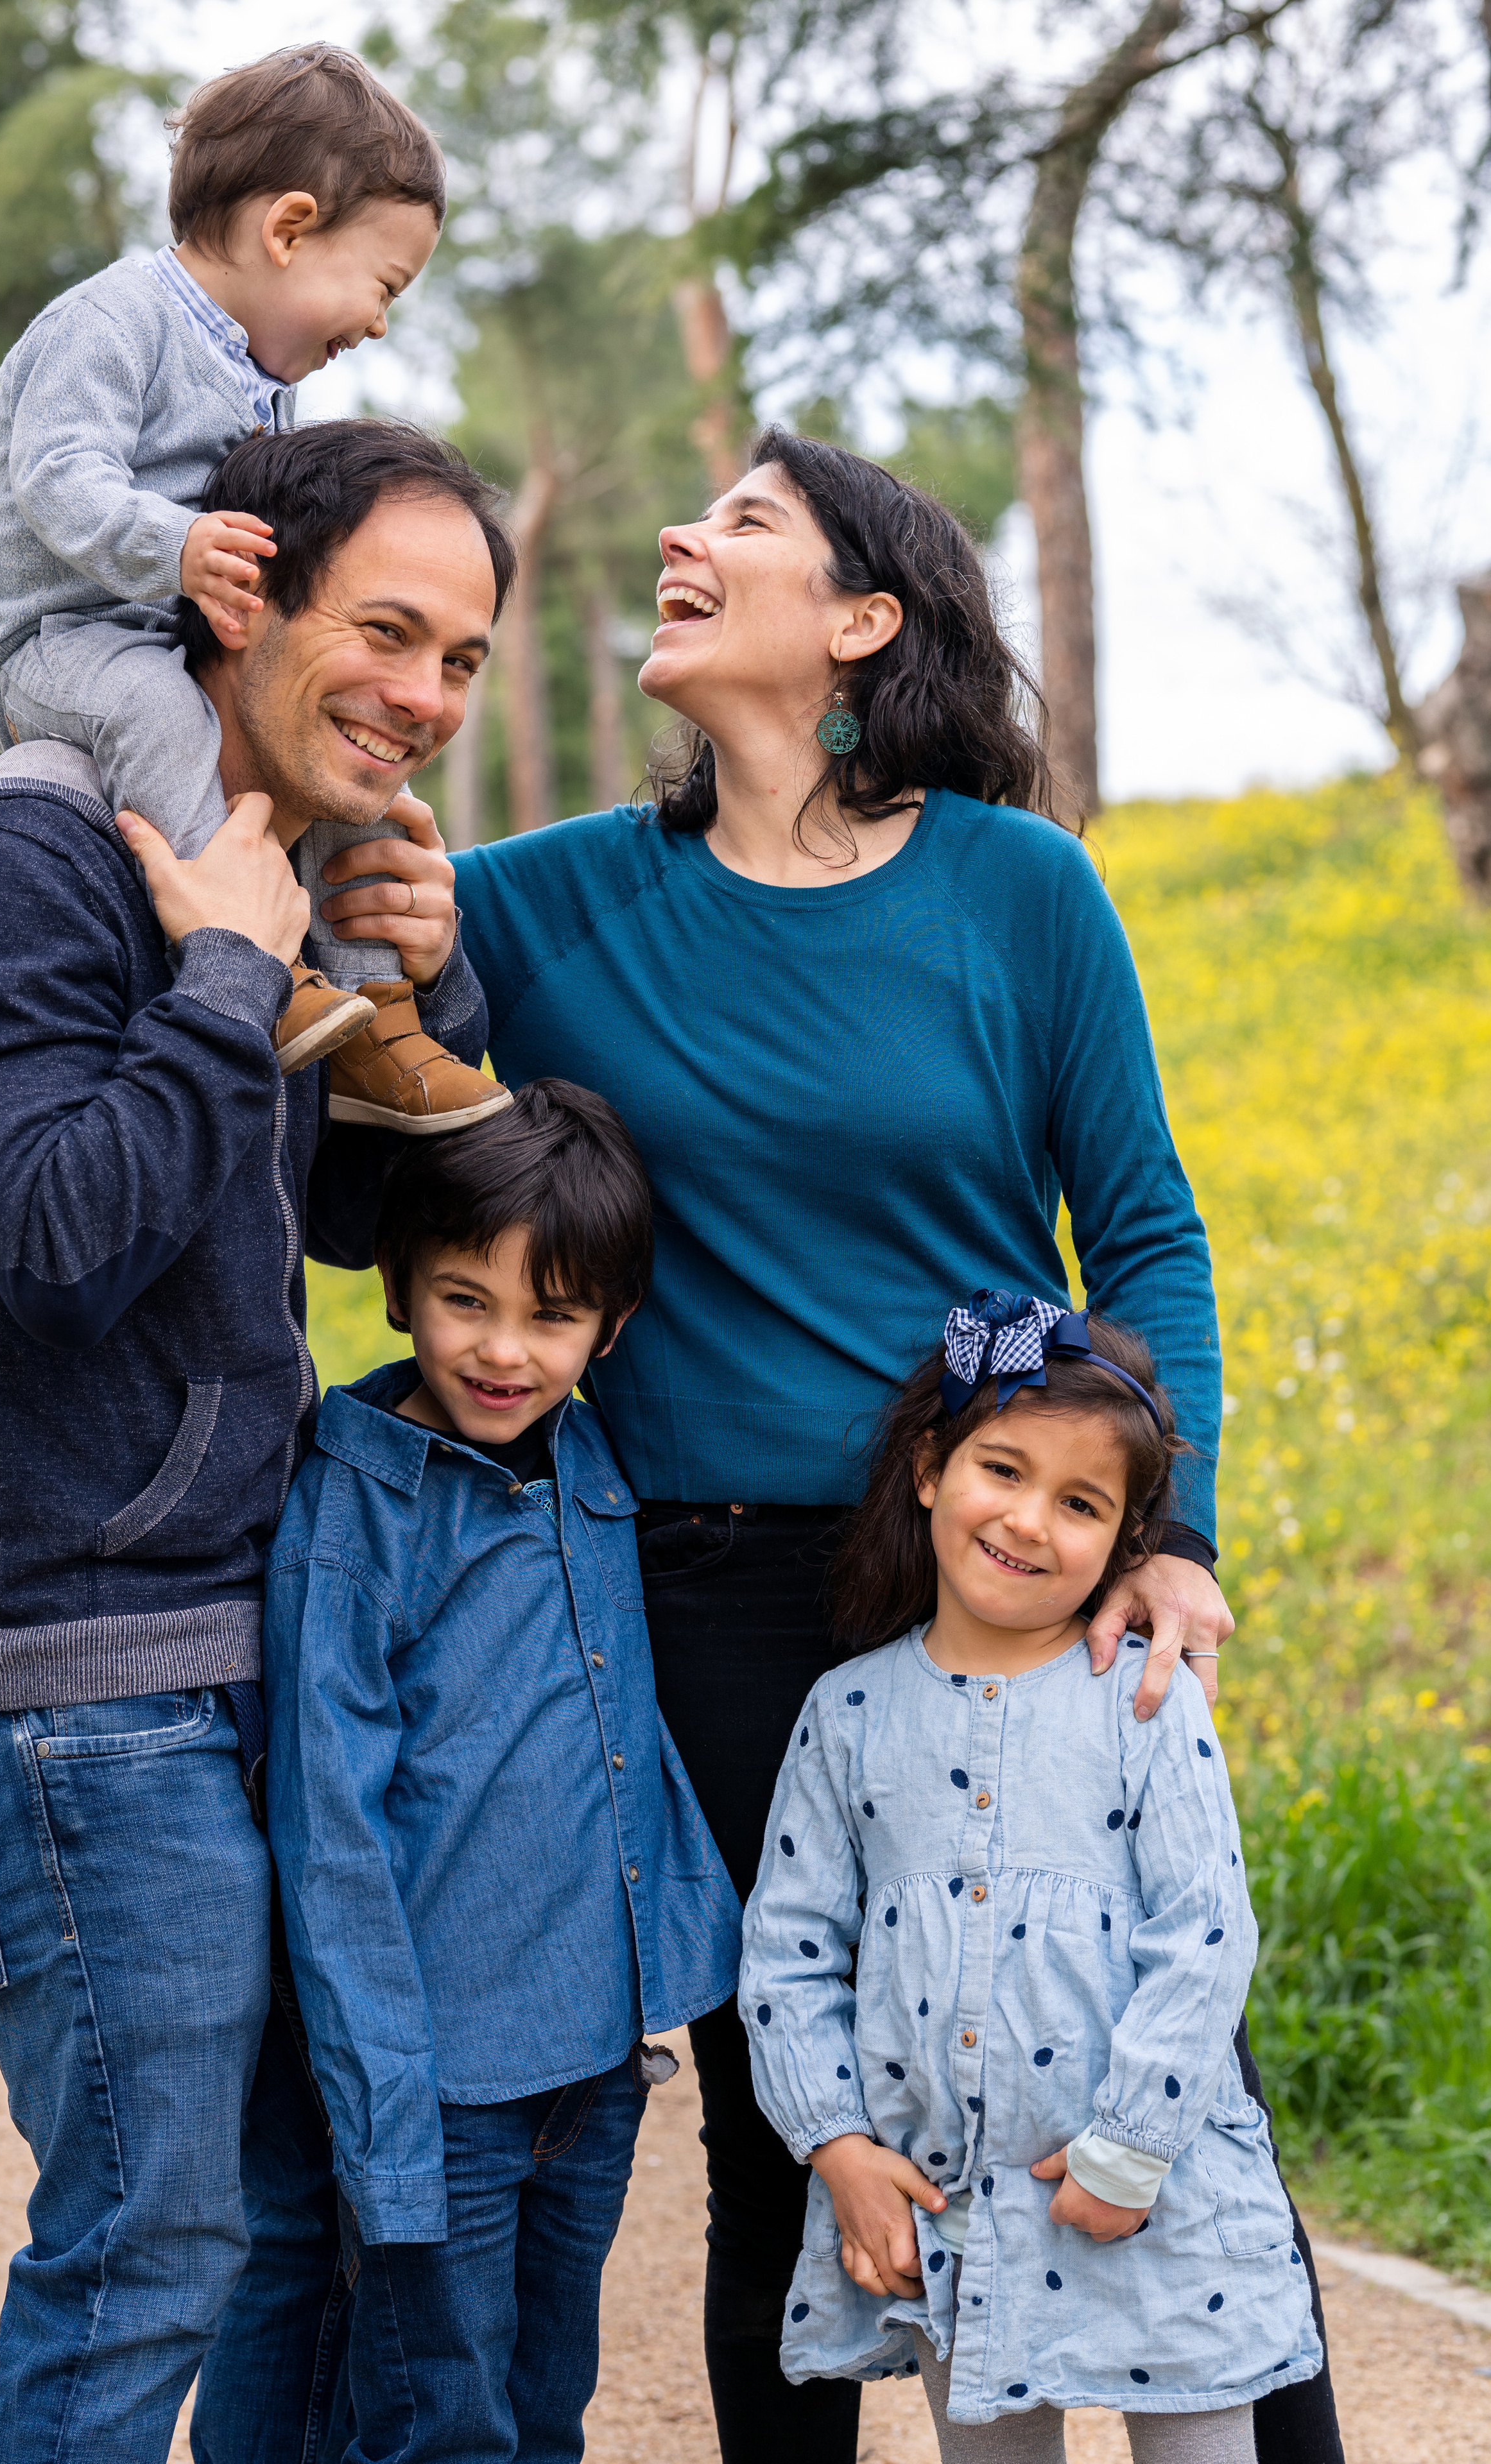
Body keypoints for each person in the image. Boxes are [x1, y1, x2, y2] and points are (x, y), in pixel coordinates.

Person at [318, 426, 1345, 2461]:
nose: (682, 541)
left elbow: (1142, 1224)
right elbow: (384, 1201)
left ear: (863, 623)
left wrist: (1175, 1531)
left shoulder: (1017, 892)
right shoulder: (544, 904)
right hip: (698, 1591)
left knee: (1155, 2083)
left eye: (747, 527)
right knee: (796, 2135)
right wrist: (383, 951)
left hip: (1002, 1565)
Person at [0, 416, 513, 2464]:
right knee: (149, 2241)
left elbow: (331, 1227)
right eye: (388, 633)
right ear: (238, 594)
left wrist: (417, 983)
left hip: (241, 1649)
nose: (424, 698)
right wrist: (228, 964)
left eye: (464, 663)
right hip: (78, 1687)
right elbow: (62, 1237)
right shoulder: (21, 859)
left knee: (282, 2223)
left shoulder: (270, 870)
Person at [741, 1296, 1319, 2459]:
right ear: (927, 1470)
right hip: (962, 2208)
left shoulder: (1145, 1704)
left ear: (1126, 1544)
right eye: (1001, 1470)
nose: (1029, 1520)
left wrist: (1130, 2144)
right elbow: (788, 1953)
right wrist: (839, 2146)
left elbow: (1208, 1931)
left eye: (1081, 1504)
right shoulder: (847, 1715)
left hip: (1156, 2188)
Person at [258, 1081, 742, 2464]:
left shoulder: (583, 1454)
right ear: (402, 1285)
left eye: (553, 1318)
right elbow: (330, 1835)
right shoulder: (354, 1515)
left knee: (543, 2410)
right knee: (434, 2422)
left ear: (611, 1329)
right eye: (467, 1300)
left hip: (594, 2062)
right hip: (441, 2088)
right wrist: (384, 2118)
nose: (505, 1352)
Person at [0, 42, 506, 1129]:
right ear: (289, 228)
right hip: (65, 640)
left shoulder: (263, 383)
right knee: (165, 713)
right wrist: (176, 550)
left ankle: (373, 1017)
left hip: (172, 633)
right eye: (383, 284)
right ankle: (245, 957)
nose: (381, 322)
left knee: (356, 786)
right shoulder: (111, 322)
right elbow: (56, 478)